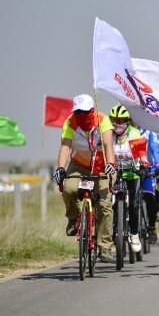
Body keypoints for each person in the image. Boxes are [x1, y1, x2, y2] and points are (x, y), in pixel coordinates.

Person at [53, 94, 117, 263]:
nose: (81, 115)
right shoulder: (70, 122)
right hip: (79, 164)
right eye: (78, 112)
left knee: (104, 205)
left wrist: (111, 164)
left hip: (102, 164)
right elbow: (65, 147)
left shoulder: (103, 120)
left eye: (85, 112)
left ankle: (105, 247)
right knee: (69, 188)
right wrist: (60, 168)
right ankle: (74, 219)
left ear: (92, 110)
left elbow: (109, 146)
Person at [109, 104, 150, 253]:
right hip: (113, 173)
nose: (117, 123)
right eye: (114, 120)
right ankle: (108, 235)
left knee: (133, 203)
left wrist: (144, 164)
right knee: (105, 203)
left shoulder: (134, 133)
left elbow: (141, 153)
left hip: (132, 173)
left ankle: (134, 234)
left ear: (127, 121)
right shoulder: (108, 134)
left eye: (121, 120)